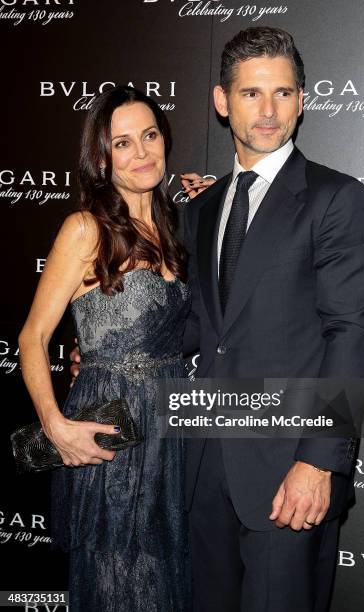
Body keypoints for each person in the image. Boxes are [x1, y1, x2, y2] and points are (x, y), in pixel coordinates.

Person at [179, 27, 364, 611]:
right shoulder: (202, 208)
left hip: (289, 474)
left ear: (302, 99)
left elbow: (352, 337)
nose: (268, 111)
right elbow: (201, 330)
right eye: (250, 94)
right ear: (222, 102)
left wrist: (318, 460)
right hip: (203, 469)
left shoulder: (336, 199)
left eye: (283, 93)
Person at [18, 86, 191, 612]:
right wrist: (54, 424)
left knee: (166, 575)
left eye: (150, 135)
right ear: (101, 158)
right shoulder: (84, 229)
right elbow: (31, 338)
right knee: (118, 577)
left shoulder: (170, 226)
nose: (142, 153)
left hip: (169, 429)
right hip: (113, 432)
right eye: (123, 143)